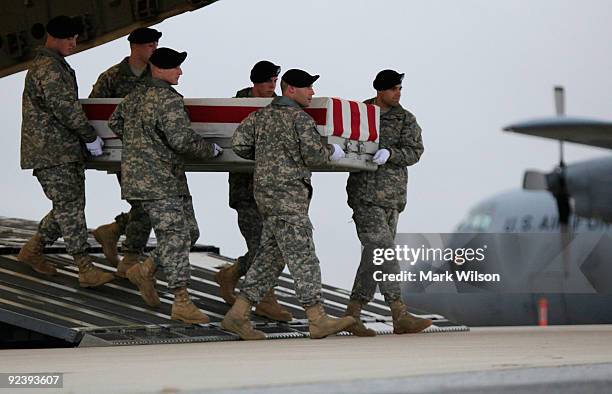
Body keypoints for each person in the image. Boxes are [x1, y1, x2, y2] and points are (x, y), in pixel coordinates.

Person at [222, 69, 355, 340]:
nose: (312, 93)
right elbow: (315, 155)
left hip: (265, 196)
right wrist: (332, 151)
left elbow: (240, 145)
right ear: (290, 89)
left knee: (270, 257)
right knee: (303, 255)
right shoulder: (298, 119)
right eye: (307, 88)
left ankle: (237, 315)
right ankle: (317, 318)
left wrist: (267, 156)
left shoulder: (259, 117)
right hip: (288, 198)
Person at [108, 47, 222, 323]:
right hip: (159, 180)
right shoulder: (167, 100)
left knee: (189, 233)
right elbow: (181, 140)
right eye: (176, 67)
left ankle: (144, 271)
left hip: (159, 178)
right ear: (159, 69)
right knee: (175, 236)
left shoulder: (135, 96)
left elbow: (115, 122)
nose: (180, 72)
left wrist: (142, 144)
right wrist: (212, 151)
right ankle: (181, 301)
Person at [18, 15, 114, 288]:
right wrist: (89, 135)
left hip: (58, 150)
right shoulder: (49, 68)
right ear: (55, 38)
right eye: (69, 38)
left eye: (75, 38)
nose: (74, 43)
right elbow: (64, 107)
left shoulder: (54, 65)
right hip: (52, 152)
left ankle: (33, 249)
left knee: (67, 206)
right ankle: (85, 268)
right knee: (71, 208)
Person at [344, 69, 431, 336]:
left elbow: (416, 151)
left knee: (374, 256)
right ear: (380, 90)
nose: (398, 93)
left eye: (400, 89)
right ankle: (399, 312)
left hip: (392, 198)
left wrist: (391, 153)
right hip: (365, 196)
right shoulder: (359, 113)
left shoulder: (405, 119)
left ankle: (352, 315)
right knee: (384, 250)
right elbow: (343, 140)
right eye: (393, 89)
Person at [215, 60, 293, 322]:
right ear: (255, 83)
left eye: (275, 81)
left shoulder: (280, 105)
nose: (273, 86)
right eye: (269, 81)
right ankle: (265, 299)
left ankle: (232, 273)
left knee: (275, 245)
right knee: (261, 246)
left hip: (274, 189)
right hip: (246, 189)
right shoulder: (236, 106)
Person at [89, 27, 162, 276]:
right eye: (150, 44)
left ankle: (114, 232)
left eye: (156, 44)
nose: (154, 48)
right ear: (135, 47)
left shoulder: (156, 76)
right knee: (146, 204)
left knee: (146, 204)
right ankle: (130, 258)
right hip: (123, 153)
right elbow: (95, 112)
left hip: (151, 154)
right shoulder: (112, 77)